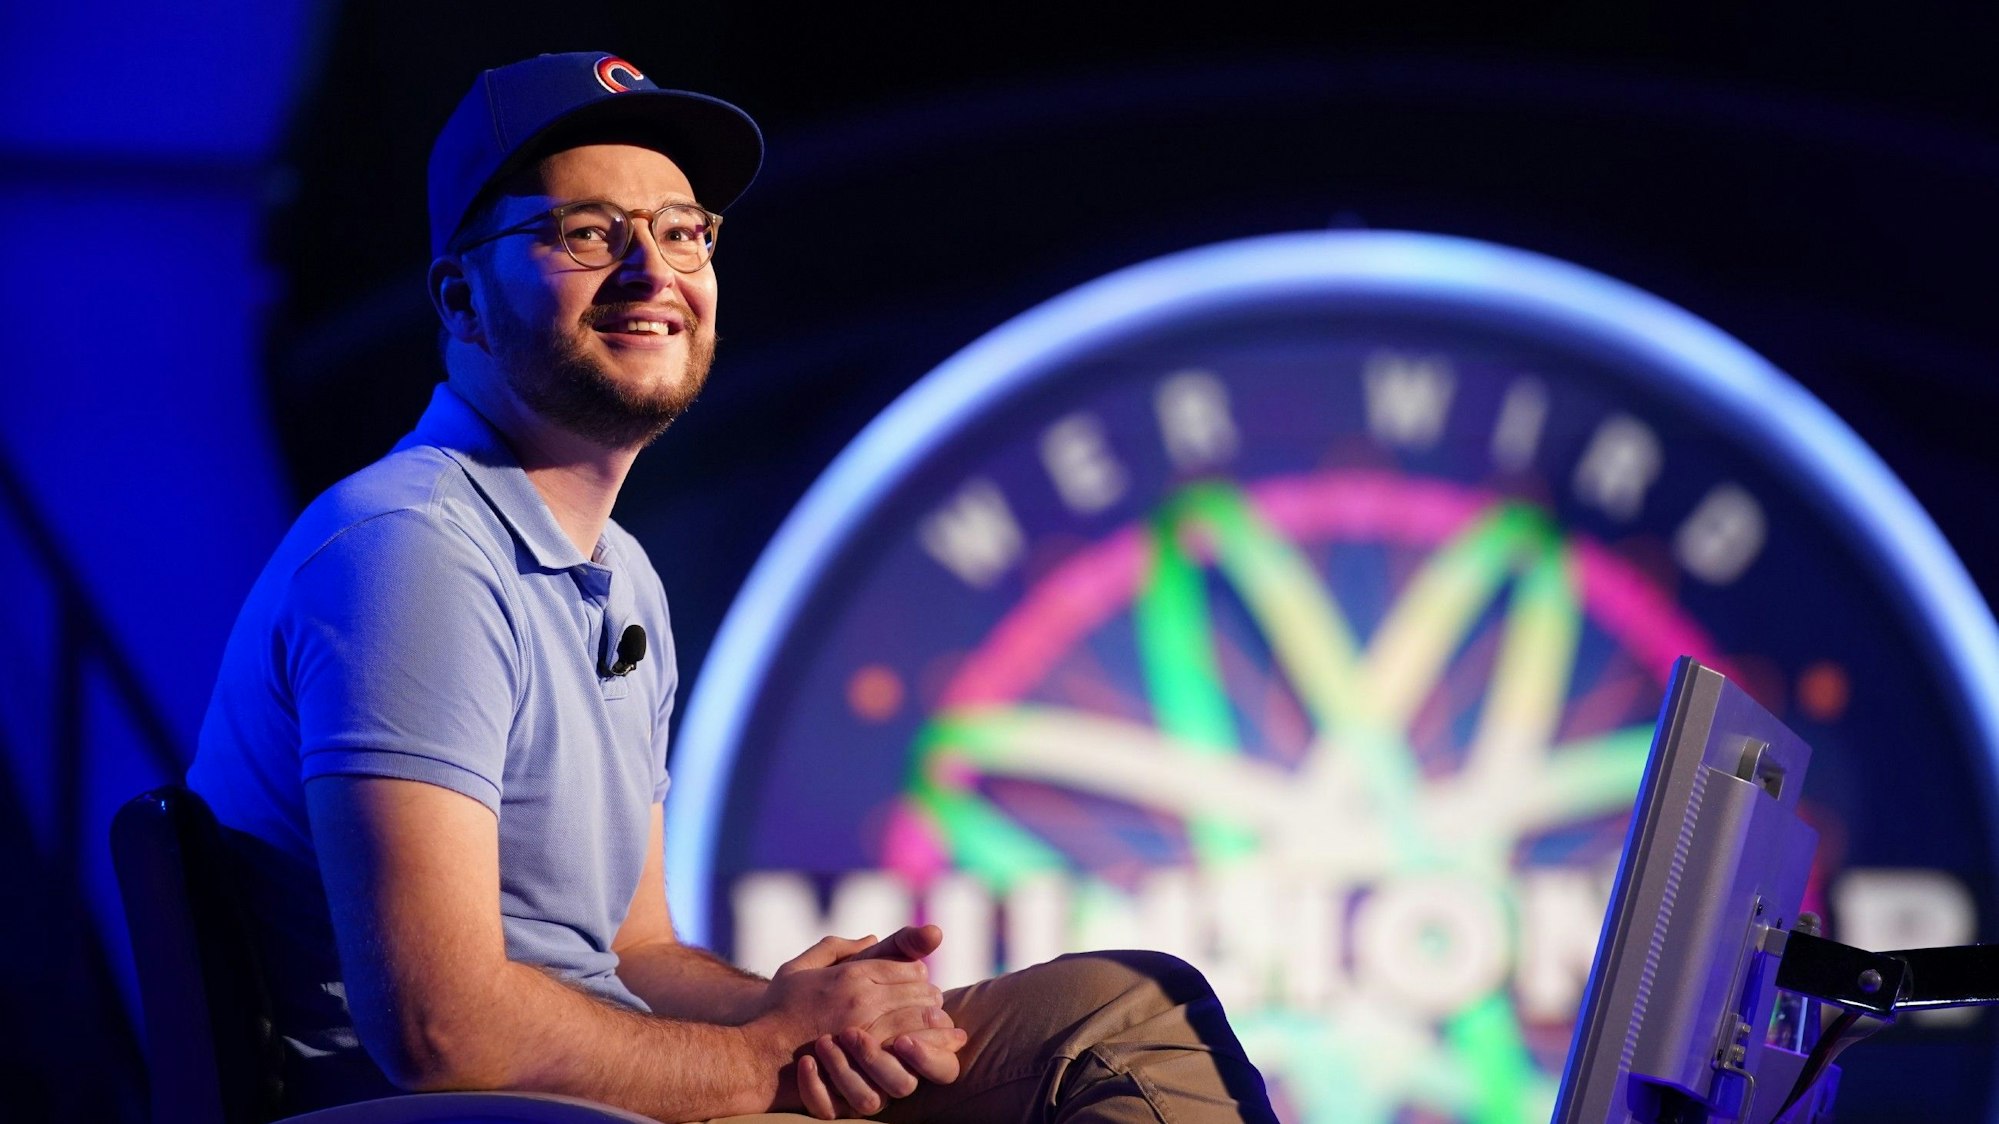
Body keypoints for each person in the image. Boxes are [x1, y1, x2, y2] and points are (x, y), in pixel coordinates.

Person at [189, 51, 1275, 1124]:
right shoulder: (408, 550)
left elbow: (635, 952)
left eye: (681, 231)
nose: (651, 269)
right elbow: (441, 1031)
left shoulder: (620, 574)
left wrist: (800, 1010)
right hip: (494, 1109)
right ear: (461, 298)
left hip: (602, 1088)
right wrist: (759, 1062)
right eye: (586, 232)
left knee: (1127, 1010)